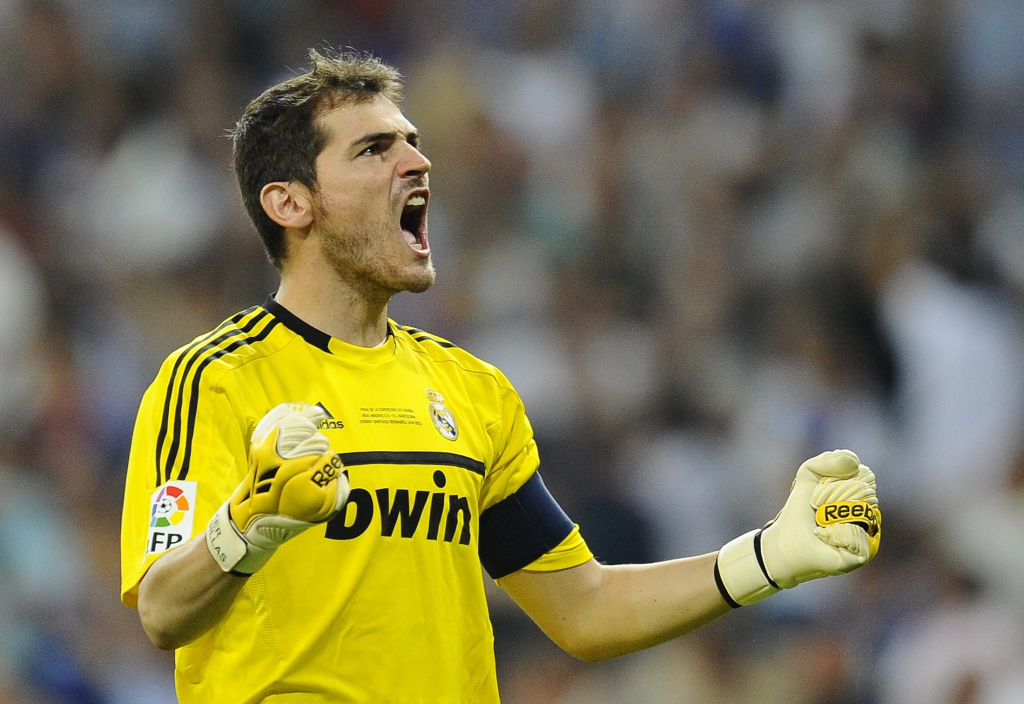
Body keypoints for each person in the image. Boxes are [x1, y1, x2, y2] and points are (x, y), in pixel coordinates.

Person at [120, 49, 881, 703]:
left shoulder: (470, 389)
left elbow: (583, 607)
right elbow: (161, 607)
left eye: (412, 143)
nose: (417, 162)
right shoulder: (213, 379)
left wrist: (768, 556)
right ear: (290, 203)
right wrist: (250, 521)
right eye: (374, 150)